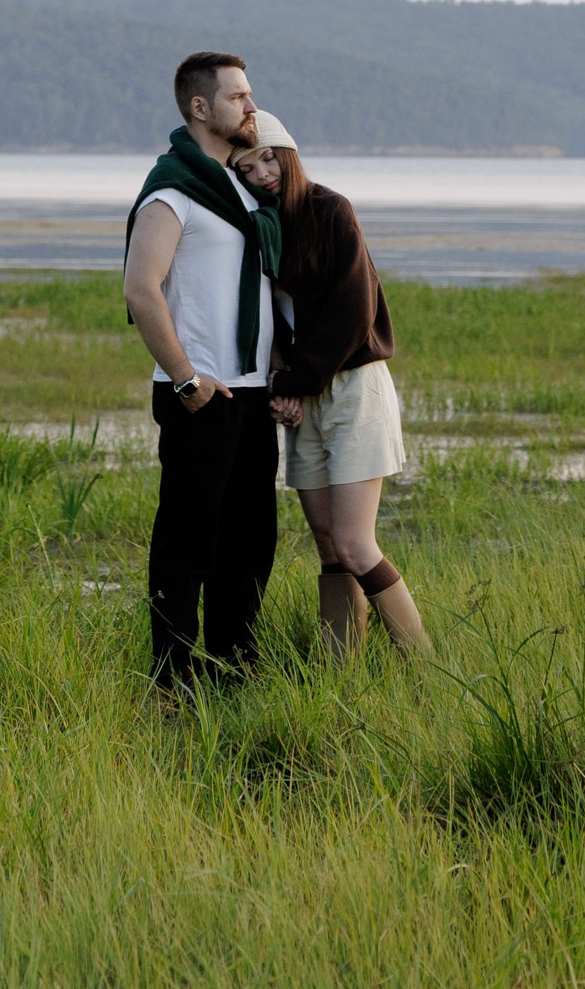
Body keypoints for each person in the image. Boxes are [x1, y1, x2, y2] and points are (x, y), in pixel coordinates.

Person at [122, 54, 302, 693]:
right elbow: (142, 289)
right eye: (239, 98)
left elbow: (253, 289)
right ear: (201, 108)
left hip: (251, 393)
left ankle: (234, 671)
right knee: (186, 542)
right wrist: (185, 379)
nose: (252, 107)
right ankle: (170, 681)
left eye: (251, 96)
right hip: (203, 394)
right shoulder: (172, 190)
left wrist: (280, 368)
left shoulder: (237, 187)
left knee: (251, 542)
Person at [232, 130, 431, 659]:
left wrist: (294, 382)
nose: (261, 175)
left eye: (267, 159)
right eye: (246, 170)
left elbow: (353, 313)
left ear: (287, 153)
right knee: (326, 541)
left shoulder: (331, 209)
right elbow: (274, 318)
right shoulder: (263, 227)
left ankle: (427, 668)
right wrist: (283, 378)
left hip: (352, 388)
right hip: (306, 394)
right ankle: (339, 671)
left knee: (353, 541)